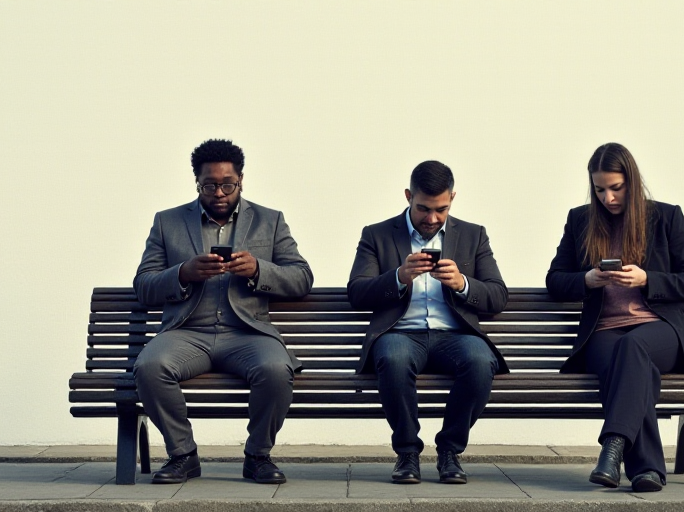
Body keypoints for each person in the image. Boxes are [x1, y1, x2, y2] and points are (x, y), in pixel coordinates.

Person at [132, 139, 313, 485]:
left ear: (241, 180)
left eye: (227, 184)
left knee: (276, 368)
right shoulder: (167, 223)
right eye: (209, 185)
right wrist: (183, 272)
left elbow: (302, 277)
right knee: (149, 367)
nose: (219, 192)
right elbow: (144, 284)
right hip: (186, 333)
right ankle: (183, 455)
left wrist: (258, 269)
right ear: (197, 182)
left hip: (247, 333)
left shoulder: (269, 221)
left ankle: (258, 456)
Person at [545, 143, 684, 492]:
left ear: (631, 182)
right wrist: (586, 280)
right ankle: (646, 470)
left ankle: (613, 447)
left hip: (662, 329)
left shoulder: (665, 217)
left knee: (634, 347)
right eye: (600, 189)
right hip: (603, 332)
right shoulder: (581, 220)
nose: (608, 197)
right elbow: (555, 280)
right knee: (633, 363)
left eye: (616, 188)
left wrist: (648, 279)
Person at [347, 160, 509, 485]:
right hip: (400, 333)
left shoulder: (473, 236)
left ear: (452, 199)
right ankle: (407, 453)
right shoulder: (377, 235)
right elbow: (357, 293)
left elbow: (497, 296)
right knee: (392, 358)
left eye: (441, 209)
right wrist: (398, 277)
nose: (432, 219)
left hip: (455, 334)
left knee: (481, 361)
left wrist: (462, 283)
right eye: (423, 209)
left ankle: (450, 451)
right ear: (408, 196)